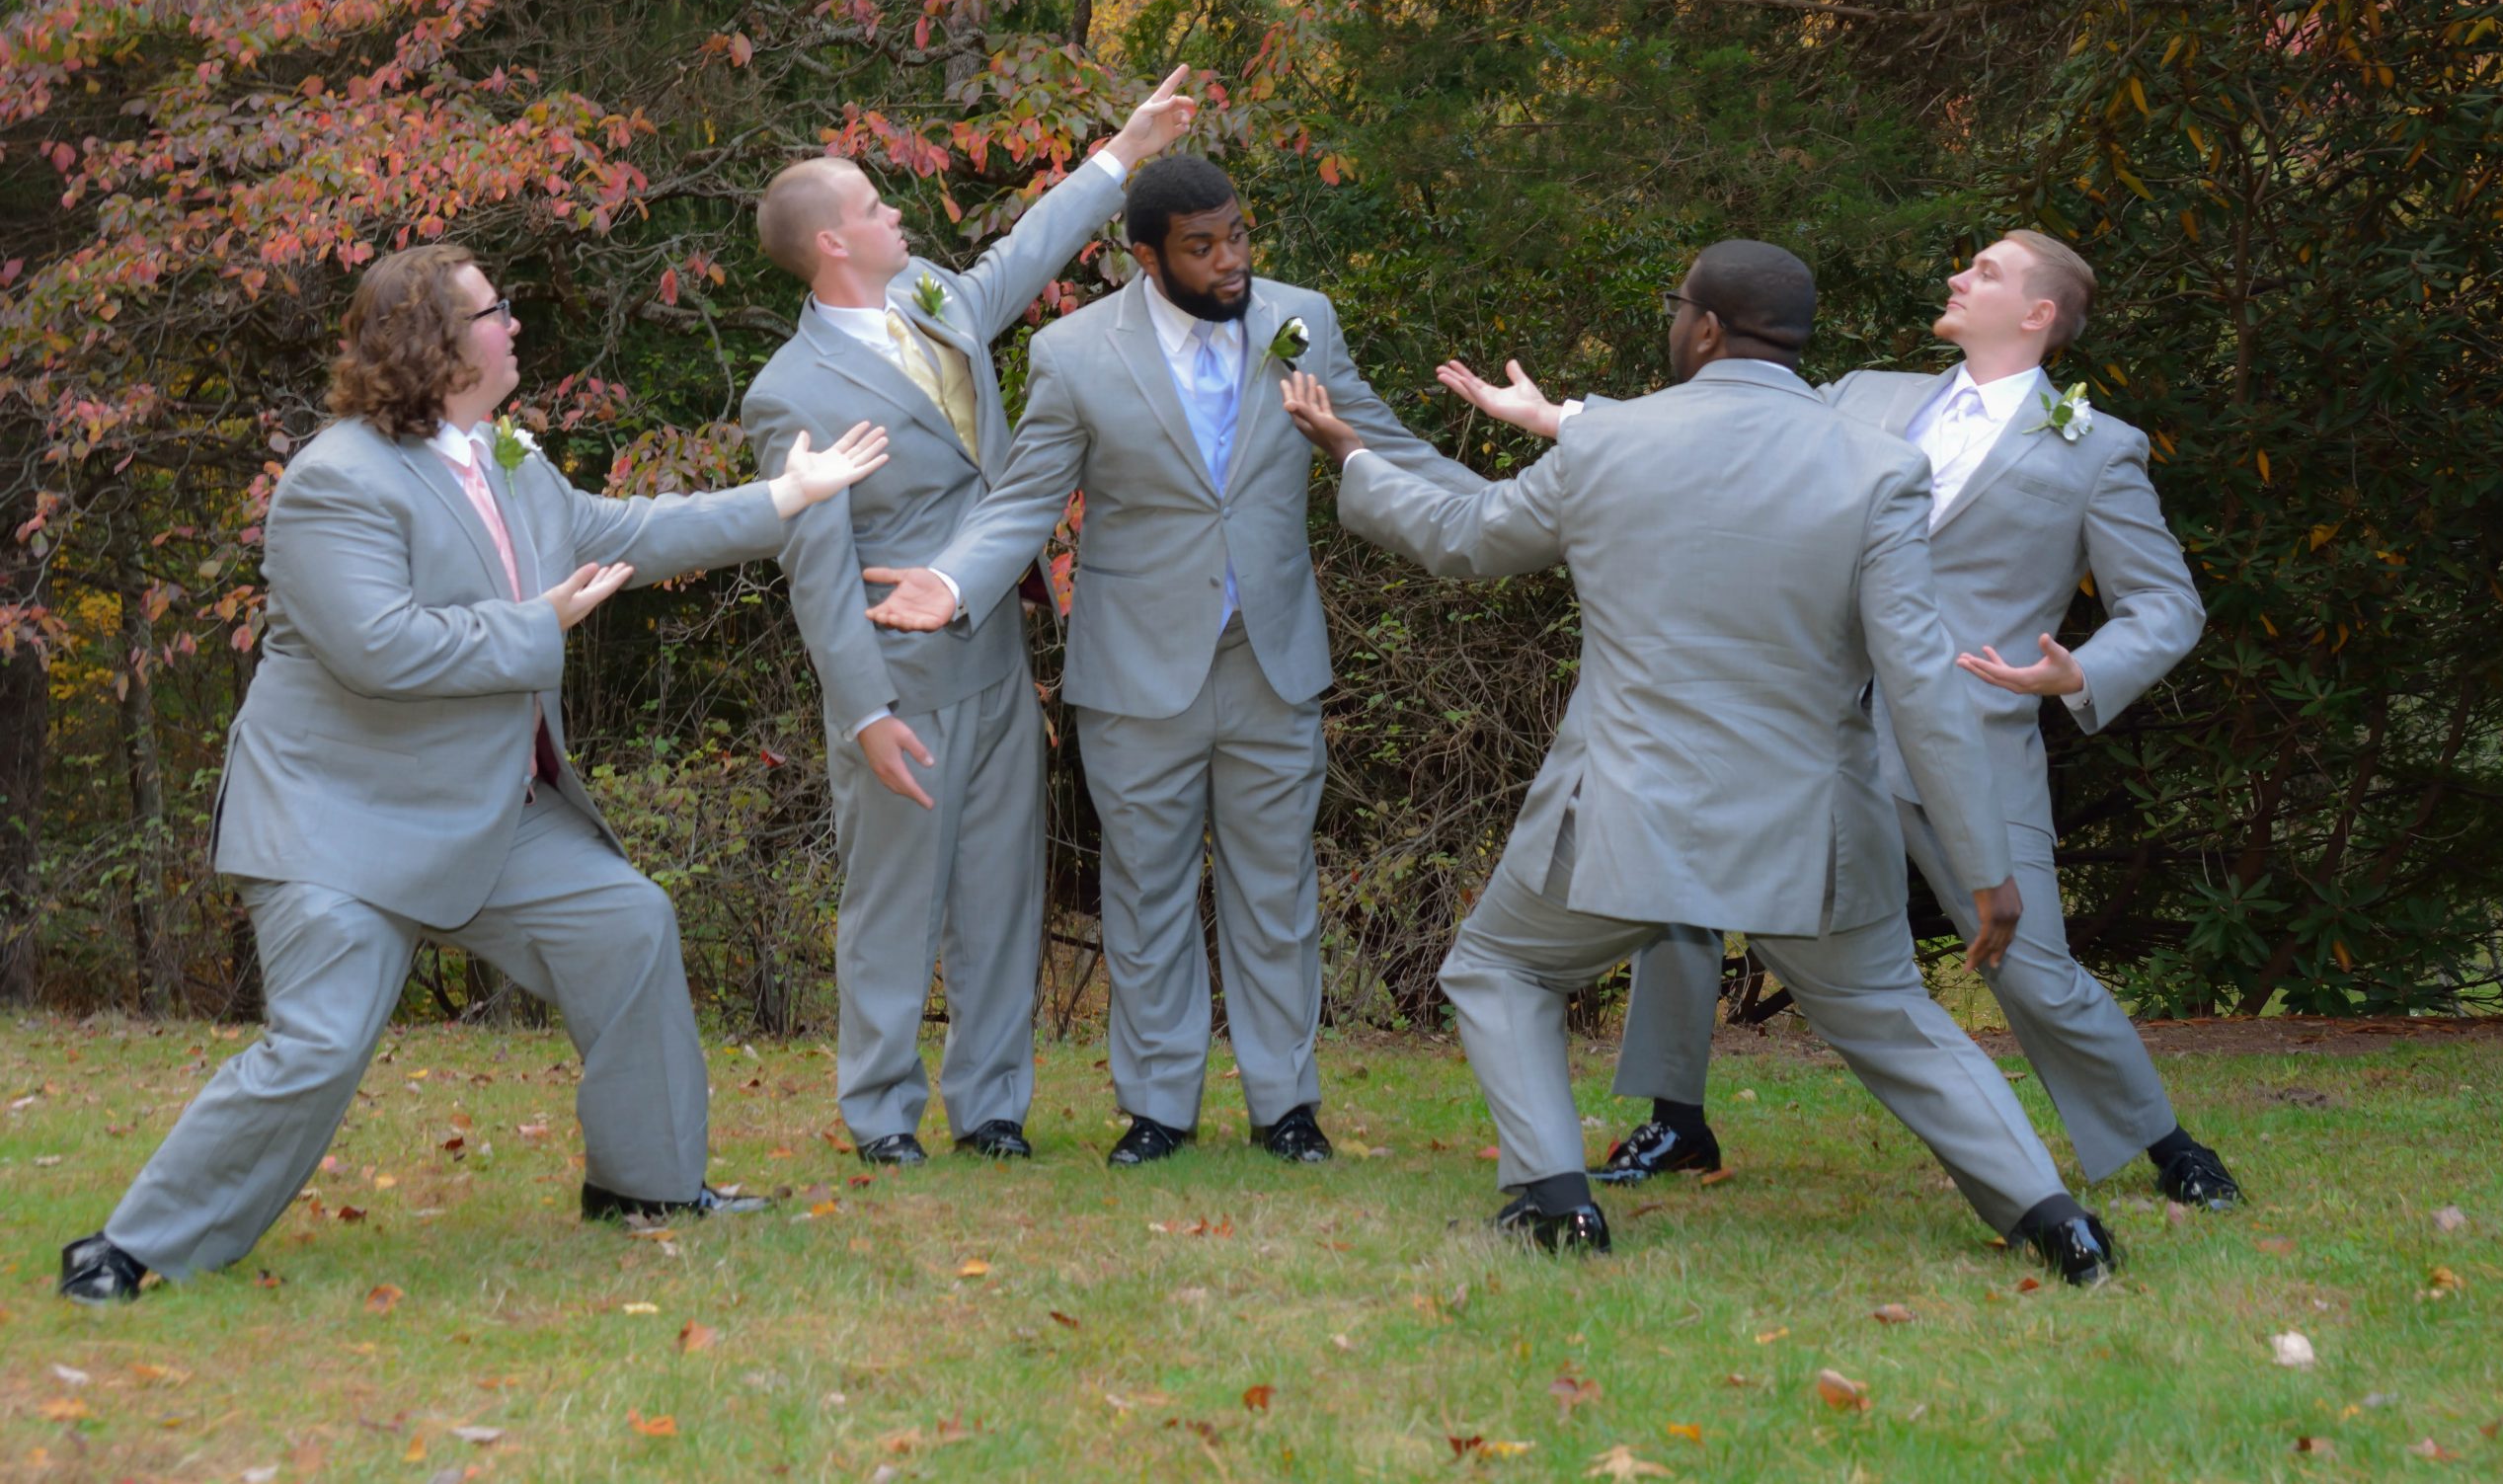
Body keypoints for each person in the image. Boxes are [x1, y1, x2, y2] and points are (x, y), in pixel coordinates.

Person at [59, 245, 888, 1302]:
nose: (516, 328)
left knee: (629, 924)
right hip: (340, 822)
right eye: (498, 312)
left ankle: (649, 1188)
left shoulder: (507, 460)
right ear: (439, 344)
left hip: (491, 811)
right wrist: (537, 626)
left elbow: (626, 531)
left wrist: (786, 494)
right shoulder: (334, 480)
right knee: (318, 1045)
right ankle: (131, 1249)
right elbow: (382, 648)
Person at [1281, 240, 2117, 1282]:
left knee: (1500, 967)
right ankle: (2055, 1223)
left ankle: (1552, 1204)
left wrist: (1349, 453)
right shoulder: (1881, 468)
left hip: (1630, 819)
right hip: (1809, 838)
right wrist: (1986, 868)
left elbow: (1461, 537)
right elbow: (1920, 686)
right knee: (1898, 1022)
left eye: (1679, 307)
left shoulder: (1613, 443)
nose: (1674, 322)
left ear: (1707, 327)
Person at [1446, 233, 2236, 1209]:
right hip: (1799, 723)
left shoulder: (2094, 445)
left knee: (2029, 966)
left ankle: (2161, 1142)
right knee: (1678, 899)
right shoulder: (1862, 394)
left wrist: (2078, 673)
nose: (1955, 274)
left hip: (1966, 739)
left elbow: (2165, 605)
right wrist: (1562, 417)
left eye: (1984, 271)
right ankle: (1675, 1120)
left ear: (2038, 314)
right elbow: (1721, 439)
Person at [861, 155, 1484, 1167]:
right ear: (1144, 256)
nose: (1229, 259)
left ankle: (1287, 1106)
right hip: (1134, 675)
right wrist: (956, 580)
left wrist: (1516, 511)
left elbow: (1378, 441)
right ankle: (1157, 1106)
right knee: (1146, 899)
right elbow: (1023, 500)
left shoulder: (1298, 321)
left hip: (1270, 661)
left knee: (1277, 895)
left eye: (1237, 235)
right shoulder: (1073, 353)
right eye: (1201, 246)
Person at [741, 69, 1197, 1167]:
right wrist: (863, 716)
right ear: (831, 246)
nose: (896, 213)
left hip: (998, 654)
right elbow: (815, 573)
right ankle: (881, 1116)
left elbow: (1022, 257)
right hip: (899, 683)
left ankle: (990, 1107)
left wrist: (1121, 153)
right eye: (873, 207)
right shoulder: (787, 393)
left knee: (1001, 896)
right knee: (894, 906)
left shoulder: (935, 299)